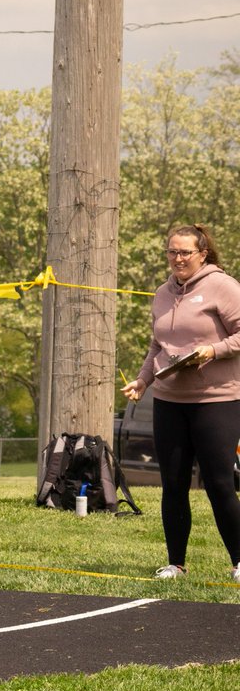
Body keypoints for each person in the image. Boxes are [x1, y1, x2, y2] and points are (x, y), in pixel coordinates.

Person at [122, 224, 240, 582]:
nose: (177, 259)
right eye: (171, 252)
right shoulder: (162, 293)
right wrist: (143, 380)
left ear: (202, 254)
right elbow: (157, 347)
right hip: (169, 399)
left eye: (185, 252)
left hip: (216, 399)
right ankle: (176, 563)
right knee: (173, 484)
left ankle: (239, 563)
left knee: (220, 482)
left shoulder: (223, 286)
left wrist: (213, 350)